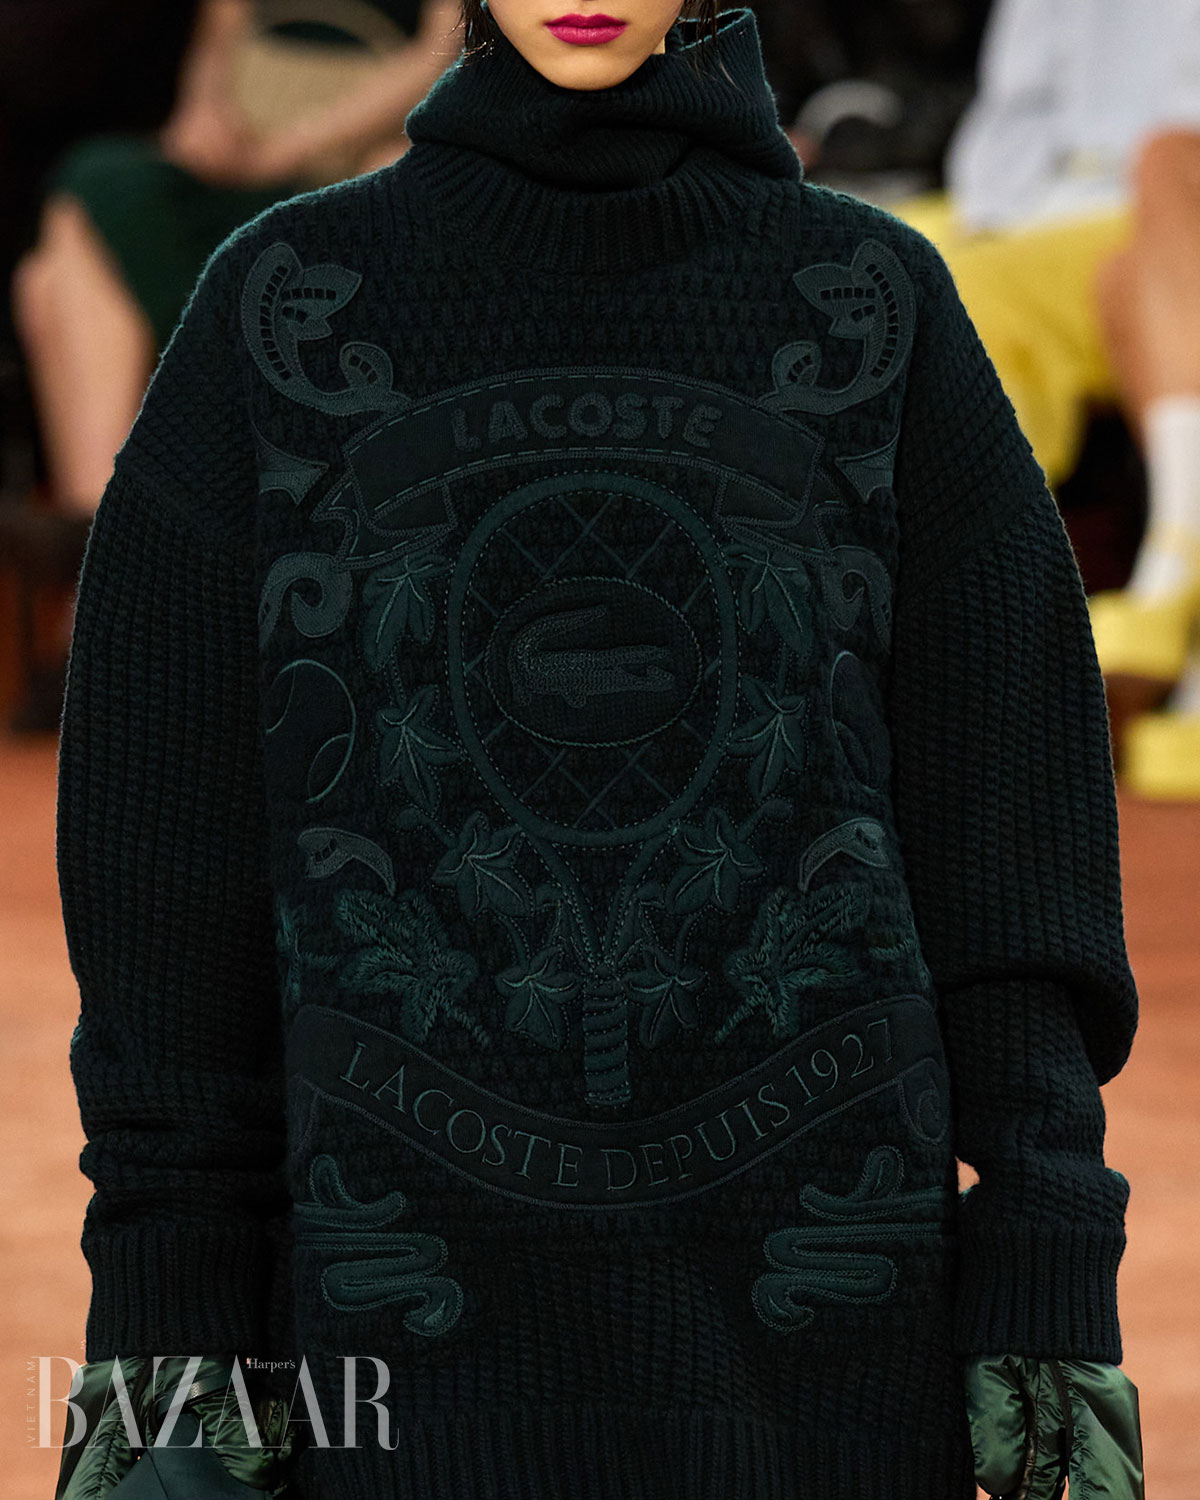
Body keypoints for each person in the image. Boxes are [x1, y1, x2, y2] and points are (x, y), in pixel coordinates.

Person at [52, 3, 1144, 1497]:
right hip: (391, 1394)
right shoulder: (286, 304)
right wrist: (169, 1336)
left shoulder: (871, 305)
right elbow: (165, 894)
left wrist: (1047, 1273)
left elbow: (1011, 849)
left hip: (822, 1378)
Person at [3, 0, 461, 732]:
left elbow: (444, 52)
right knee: (92, 185)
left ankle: (125, 609)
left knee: (386, 196)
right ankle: (108, 552)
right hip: (244, 145)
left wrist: (302, 140)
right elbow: (222, 35)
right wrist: (205, 110)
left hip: (359, 142)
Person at [891, 0, 1200, 795]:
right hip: (1040, 211)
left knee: (1166, 180)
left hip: (1169, 213)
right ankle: (967, 647)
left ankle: (1174, 571)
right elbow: (1007, 130)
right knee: (868, 267)